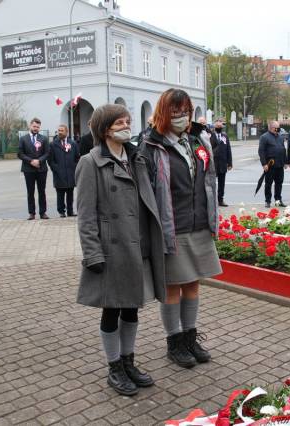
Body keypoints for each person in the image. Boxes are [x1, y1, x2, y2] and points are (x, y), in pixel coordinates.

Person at [75, 104, 165, 396]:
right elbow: (85, 215)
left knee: (132, 308)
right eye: (120, 122)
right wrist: (93, 254)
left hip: (137, 245)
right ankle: (114, 366)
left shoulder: (136, 157)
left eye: (128, 121)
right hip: (111, 250)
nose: (127, 126)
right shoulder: (90, 163)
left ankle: (128, 361)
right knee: (111, 311)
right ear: (104, 130)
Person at [140, 88, 221, 369]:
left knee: (193, 283)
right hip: (171, 226)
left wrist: (212, 218)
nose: (182, 117)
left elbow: (209, 180)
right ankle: (174, 341)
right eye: (175, 112)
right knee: (173, 287)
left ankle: (190, 336)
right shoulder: (151, 145)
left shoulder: (197, 140)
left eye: (185, 111)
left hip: (198, 223)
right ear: (164, 114)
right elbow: (146, 192)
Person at [18, 118, 50, 220]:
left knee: (42, 191)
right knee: (30, 192)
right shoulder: (23, 139)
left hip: (41, 169)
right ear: (30, 126)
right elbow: (20, 154)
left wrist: (39, 161)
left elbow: (47, 153)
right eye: (34, 126)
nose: (36, 128)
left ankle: (43, 212)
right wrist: (31, 161)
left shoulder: (44, 139)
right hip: (28, 169)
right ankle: (32, 213)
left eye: (38, 127)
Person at [48, 124, 79, 218]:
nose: (60, 132)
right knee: (60, 194)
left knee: (70, 194)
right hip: (59, 173)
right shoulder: (53, 144)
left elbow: (77, 157)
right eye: (59, 130)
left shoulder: (73, 143)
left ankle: (70, 211)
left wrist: (74, 167)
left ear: (67, 132)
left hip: (70, 173)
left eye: (62, 130)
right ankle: (61, 211)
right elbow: (50, 160)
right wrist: (55, 169)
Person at [258, 120, 287, 207]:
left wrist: (285, 162)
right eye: (277, 128)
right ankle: (268, 201)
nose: (278, 129)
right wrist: (264, 164)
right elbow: (261, 151)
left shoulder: (280, 137)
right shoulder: (264, 137)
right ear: (271, 128)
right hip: (270, 165)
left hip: (280, 164)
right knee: (268, 184)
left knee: (279, 183)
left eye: (279, 128)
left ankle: (278, 200)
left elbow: (283, 150)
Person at [210, 118, 232, 207]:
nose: (219, 126)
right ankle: (212, 201)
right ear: (214, 125)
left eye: (220, 125)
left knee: (222, 183)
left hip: (223, 163)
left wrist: (230, 163)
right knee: (212, 183)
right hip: (213, 163)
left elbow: (228, 149)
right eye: (217, 125)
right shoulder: (210, 136)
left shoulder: (225, 136)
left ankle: (220, 200)